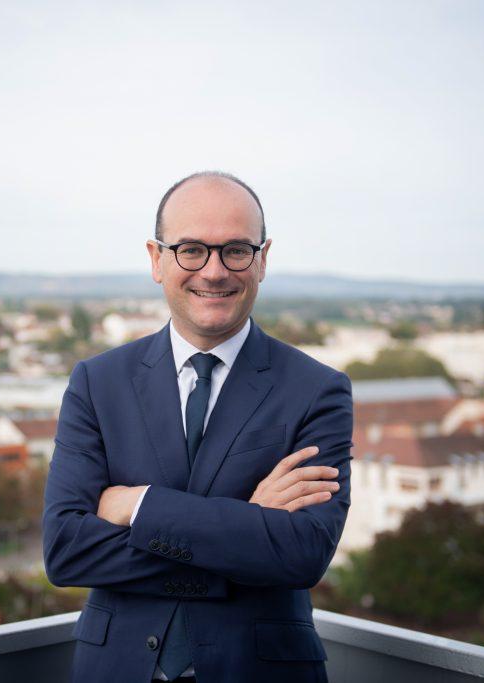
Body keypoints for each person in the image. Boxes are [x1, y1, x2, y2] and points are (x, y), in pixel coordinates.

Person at [42, 171, 353, 683]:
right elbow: (67, 551)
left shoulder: (317, 389)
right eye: (190, 249)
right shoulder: (98, 382)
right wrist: (247, 523)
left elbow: (301, 554)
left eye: (236, 250)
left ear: (262, 259)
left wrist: (140, 506)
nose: (213, 271)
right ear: (156, 259)